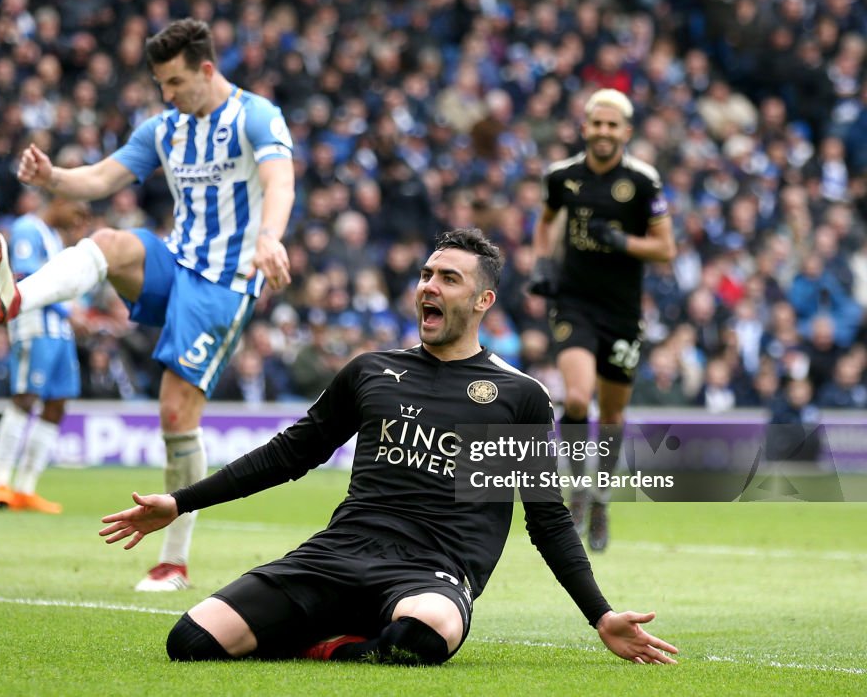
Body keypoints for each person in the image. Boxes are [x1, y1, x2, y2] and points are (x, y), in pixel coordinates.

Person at [100, 229, 678, 666]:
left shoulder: (517, 395)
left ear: (483, 301)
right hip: (337, 554)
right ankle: (337, 634)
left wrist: (600, 615)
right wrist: (179, 503)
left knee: (421, 635)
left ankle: (328, 649)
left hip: (431, 573)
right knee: (191, 642)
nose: (429, 286)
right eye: (427, 275)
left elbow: (547, 520)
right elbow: (287, 455)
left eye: (449, 278)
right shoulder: (371, 371)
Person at [0, 18, 295, 591]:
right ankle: (15, 298)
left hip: (225, 282)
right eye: (159, 85)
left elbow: (280, 183)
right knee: (109, 243)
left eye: (174, 83)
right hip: (175, 261)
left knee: (175, 412)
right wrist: (52, 177)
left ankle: (173, 560)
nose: (167, 96)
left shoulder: (256, 116)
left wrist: (270, 236)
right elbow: (99, 179)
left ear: (205, 68)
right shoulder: (165, 129)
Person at [527, 88, 676, 552]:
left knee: (611, 413)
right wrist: (543, 265)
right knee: (575, 398)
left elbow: (666, 248)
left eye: (613, 125)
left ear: (626, 132)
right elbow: (546, 221)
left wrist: (621, 242)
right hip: (574, 303)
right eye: (598, 124)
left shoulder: (644, 181)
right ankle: (577, 489)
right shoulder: (562, 177)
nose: (604, 132)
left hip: (622, 312)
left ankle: (602, 497)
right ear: (585, 127)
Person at [0, 197, 90, 514]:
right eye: (77, 211)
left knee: (57, 404)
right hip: (35, 327)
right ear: (57, 200)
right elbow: (26, 276)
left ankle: (26, 488)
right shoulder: (28, 228)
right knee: (26, 397)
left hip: (60, 332)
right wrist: (68, 311)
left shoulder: (55, 237)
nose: (79, 221)